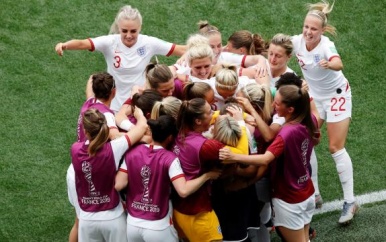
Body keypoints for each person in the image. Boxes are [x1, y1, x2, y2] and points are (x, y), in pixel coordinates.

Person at [220, 85, 321, 242]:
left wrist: (234, 157)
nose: (273, 105)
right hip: (306, 191)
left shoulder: (286, 133)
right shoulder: (309, 119)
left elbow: (266, 159)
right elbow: (316, 129)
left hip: (289, 198)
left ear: (291, 109)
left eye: (278, 103)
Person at [291, 0, 358, 224]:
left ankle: (350, 201)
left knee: (334, 147)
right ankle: (315, 193)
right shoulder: (297, 42)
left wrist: (332, 64)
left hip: (337, 95)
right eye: (306, 27)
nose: (308, 32)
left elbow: (338, 62)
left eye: (314, 29)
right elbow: (280, 48)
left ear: (323, 30)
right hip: (315, 98)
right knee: (306, 137)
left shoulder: (326, 45)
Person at [55, 5, 185, 112]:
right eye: (124, 31)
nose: (128, 35)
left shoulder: (149, 43)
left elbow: (181, 50)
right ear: (119, 28)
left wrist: (201, 48)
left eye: (133, 31)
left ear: (140, 28)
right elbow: (84, 43)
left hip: (139, 104)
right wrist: (65, 45)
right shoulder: (110, 42)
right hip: (113, 105)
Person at [115, 114, 221, 242]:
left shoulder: (132, 153)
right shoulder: (169, 158)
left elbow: (119, 184)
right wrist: (207, 175)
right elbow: (183, 190)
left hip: (132, 224)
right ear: (170, 138)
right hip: (158, 226)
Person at [171, 98, 248, 242]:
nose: (214, 114)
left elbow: (214, 116)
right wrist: (240, 123)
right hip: (198, 214)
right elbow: (242, 155)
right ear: (198, 121)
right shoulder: (206, 146)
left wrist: (240, 114)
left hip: (179, 210)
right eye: (210, 112)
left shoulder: (180, 130)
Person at [70, 107, 147, 242]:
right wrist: (139, 114)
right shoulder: (114, 148)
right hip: (113, 218)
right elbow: (140, 128)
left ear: (85, 131)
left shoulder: (75, 149)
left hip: (87, 220)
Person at [66, 72, 123, 242]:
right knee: (84, 220)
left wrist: (95, 77)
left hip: (77, 167)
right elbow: (115, 136)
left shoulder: (89, 103)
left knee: (79, 221)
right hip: (94, 168)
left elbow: (90, 80)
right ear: (114, 92)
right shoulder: (106, 115)